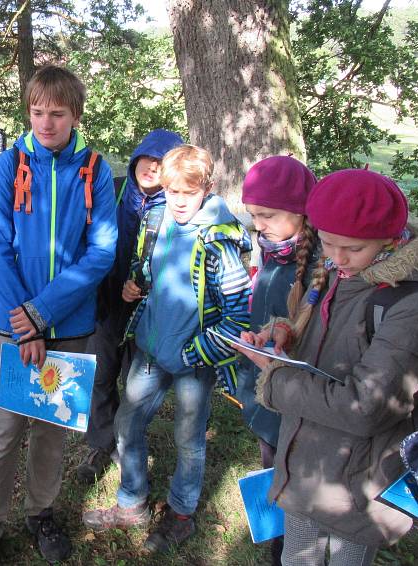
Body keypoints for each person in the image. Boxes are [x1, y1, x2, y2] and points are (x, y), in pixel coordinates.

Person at [235, 169, 418, 566]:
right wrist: (283, 333)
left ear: (390, 238)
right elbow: (325, 335)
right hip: (306, 465)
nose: (336, 257)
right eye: (328, 243)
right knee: (297, 558)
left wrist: (274, 378)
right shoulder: (338, 272)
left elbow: (363, 407)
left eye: (351, 247)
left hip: (357, 484)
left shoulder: (411, 306)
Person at [0, 65, 117, 565]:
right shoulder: (9, 165)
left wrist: (42, 314)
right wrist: (22, 321)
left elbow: (101, 253)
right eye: (36, 112)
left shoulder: (96, 169)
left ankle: (41, 511)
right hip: (12, 324)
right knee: (4, 428)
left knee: (52, 426)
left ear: (75, 114)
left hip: (70, 326)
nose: (45, 123)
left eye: (56, 113)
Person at [82, 145, 252, 554]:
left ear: (207, 189)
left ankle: (180, 513)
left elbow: (238, 318)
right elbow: (145, 265)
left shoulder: (219, 239)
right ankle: (132, 501)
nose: (177, 202)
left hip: (196, 360)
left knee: (189, 438)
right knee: (127, 423)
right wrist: (135, 283)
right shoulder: (157, 218)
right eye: (171, 191)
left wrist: (194, 354)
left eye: (187, 194)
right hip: (151, 350)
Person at [76, 128, 184, 484]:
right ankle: (100, 443)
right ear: (137, 158)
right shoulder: (115, 188)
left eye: (161, 162)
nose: (152, 167)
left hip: (147, 311)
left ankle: (128, 444)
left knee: (135, 383)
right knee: (100, 376)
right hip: (104, 303)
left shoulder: (177, 204)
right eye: (147, 158)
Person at [235, 155, 317, 564]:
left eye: (267, 215)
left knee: (294, 476)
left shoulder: (320, 264)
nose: (259, 225)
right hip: (267, 389)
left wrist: (279, 341)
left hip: (298, 399)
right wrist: (261, 336)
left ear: (301, 210)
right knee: (273, 462)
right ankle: (279, 543)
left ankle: (291, 549)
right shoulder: (273, 249)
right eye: (253, 216)